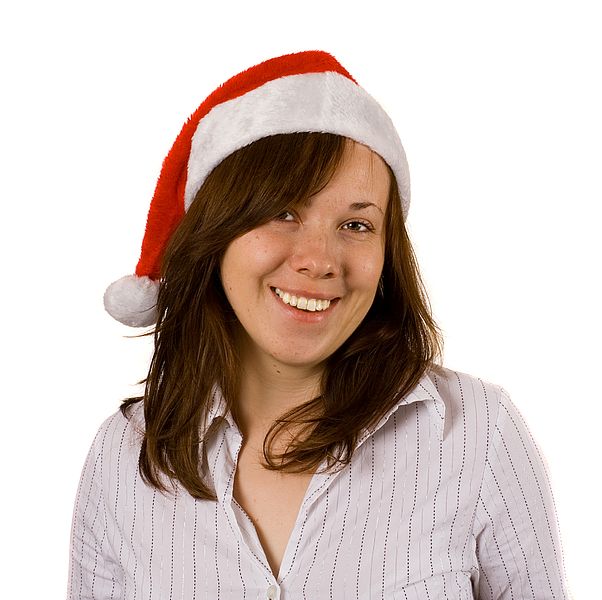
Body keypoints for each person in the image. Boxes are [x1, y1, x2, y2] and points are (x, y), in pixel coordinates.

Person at [68, 50, 569, 600]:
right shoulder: (125, 455)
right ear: (217, 232)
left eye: (356, 224)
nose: (321, 259)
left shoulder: (479, 432)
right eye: (283, 212)